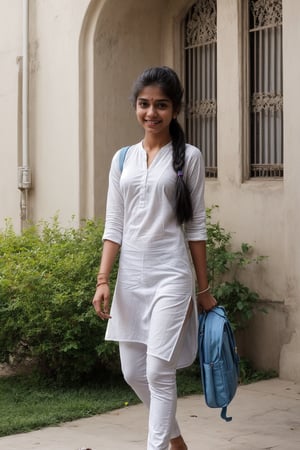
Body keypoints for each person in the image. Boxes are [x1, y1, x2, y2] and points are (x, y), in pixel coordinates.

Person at [92, 66, 217, 450]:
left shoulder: (189, 158)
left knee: (158, 371)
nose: (152, 113)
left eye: (161, 105)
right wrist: (103, 279)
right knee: (133, 372)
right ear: (135, 106)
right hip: (132, 278)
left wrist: (204, 288)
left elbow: (195, 228)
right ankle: (176, 440)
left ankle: (158, 447)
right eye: (144, 104)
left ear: (175, 109)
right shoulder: (122, 159)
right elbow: (115, 225)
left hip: (171, 275)